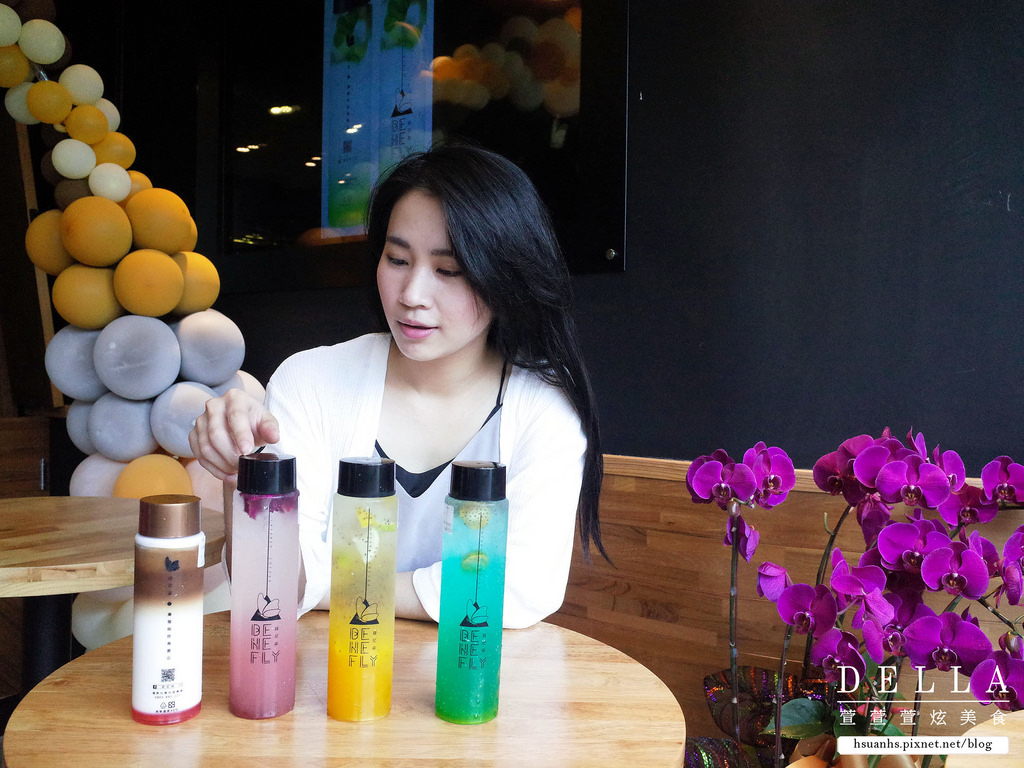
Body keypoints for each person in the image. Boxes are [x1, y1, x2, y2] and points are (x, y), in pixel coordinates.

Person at [189, 143, 604, 628]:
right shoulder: (312, 381)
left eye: (448, 270)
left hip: (471, 673)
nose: (412, 295)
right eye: (397, 259)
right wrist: (242, 477)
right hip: (329, 671)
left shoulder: (543, 406)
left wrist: (334, 585)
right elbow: (271, 586)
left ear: (504, 276)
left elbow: (523, 588)